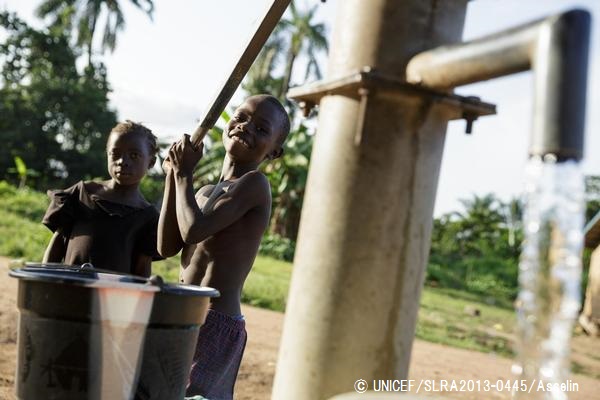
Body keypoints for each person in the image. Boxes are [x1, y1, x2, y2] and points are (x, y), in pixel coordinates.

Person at [158, 94, 290, 399]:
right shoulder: (201, 192)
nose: (246, 128)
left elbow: (194, 230)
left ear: (274, 152)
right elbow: (166, 246)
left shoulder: (255, 185)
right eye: (241, 117)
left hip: (215, 321)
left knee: (192, 396)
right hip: (181, 313)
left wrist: (182, 174)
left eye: (261, 129)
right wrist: (171, 177)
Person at [42, 120, 161, 277]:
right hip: (68, 290)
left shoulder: (148, 217)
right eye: (115, 154)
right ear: (107, 154)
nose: (123, 162)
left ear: (151, 162)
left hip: (113, 298)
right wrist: (44, 280)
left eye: (134, 155)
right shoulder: (82, 193)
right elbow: (57, 244)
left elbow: (142, 269)